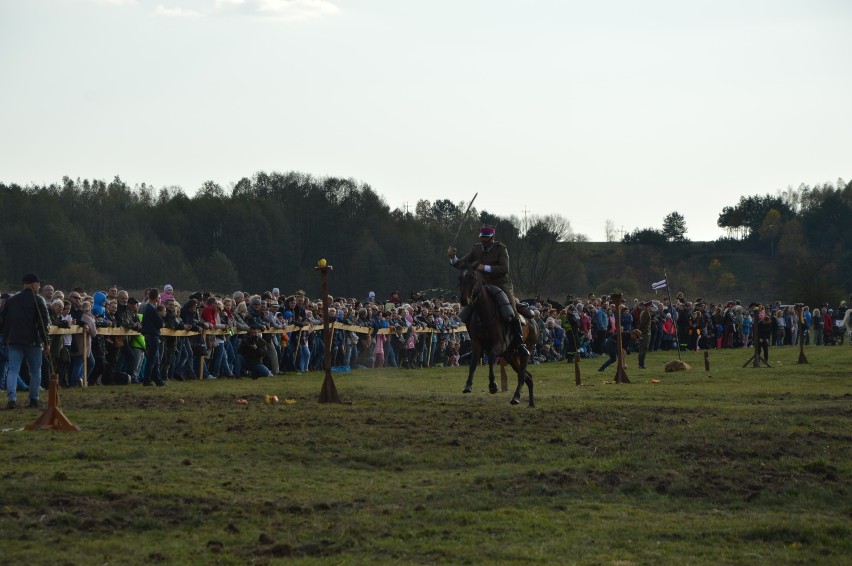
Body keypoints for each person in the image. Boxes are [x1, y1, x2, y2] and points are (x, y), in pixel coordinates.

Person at [447, 224, 533, 355]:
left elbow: (504, 269)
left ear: (492, 237)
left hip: (502, 284)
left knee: (511, 310)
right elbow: (461, 264)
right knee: (470, 309)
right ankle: (476, 346)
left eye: (486, 237)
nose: (483, 240)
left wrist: (484, 267)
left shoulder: (501, 249)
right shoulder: (476, 249)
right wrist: (453, 257)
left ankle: (519, 342)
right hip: (483, 285)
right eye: (482, 237)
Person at [1, 273, 50, 409]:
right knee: (35, 370)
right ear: (33, 284)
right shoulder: (38, 300)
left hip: (14, 340)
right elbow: (43, 323)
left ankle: (11, 399)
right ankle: (34, 399)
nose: (39, 286)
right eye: (38, 284)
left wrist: (5, 339)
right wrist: (46, 342)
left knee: (13, 370)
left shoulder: (12, 300)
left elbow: (4, 322)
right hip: (33, 341)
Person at [140, 288, 166, 387]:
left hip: (149, 336)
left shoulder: (148, 307)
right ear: (156, 298)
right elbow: (160, 323)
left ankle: (157, 380)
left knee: (154, 359)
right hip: (152, 336)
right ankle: (147, 380)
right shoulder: (152, 309)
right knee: (152, 360)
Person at [637, 300, 653, 369]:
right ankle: (641, 364)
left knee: (643, 348)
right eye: (650, 306)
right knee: (643, 348)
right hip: (645, 333)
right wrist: (641, 333)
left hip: (645, 332)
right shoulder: (645, 313)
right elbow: (642, 324)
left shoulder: (645, 312)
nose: (651, 308)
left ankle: (641, 364)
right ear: (647, 306)